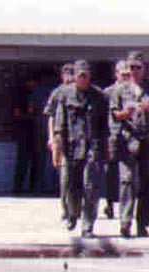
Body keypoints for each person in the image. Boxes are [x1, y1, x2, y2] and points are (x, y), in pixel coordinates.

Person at [53, 60, 109, 238]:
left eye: (85, 75)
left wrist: (105, 149)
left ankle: (88, 225)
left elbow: (105, 126)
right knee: (70, 185)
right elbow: (59, 124)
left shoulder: (99, 96)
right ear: (75, 77)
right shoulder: (65, 95)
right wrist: (58, 145)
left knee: (91, 186)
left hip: (93, 147)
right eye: (80, 75)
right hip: (72, 147)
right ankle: (73, 213)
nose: (83, 78)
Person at [111, 51, 149, 238]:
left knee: (146, 183)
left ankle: (143, 224)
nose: (133, 71)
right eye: (130, 67)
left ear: (143, 68)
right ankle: (125, 223)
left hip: (147, 140)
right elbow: (114, 114)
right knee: (127, 181)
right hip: (128, 141)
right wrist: (125, 113)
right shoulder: (120, 89)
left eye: (137, 67)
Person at [43, 63, 74, 220]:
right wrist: (51, 138)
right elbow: (51, 116)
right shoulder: (57, 93)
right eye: (66, 74)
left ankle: (76, 207)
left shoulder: (80, 93)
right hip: (60, 137)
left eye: (71, 73)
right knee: (64, 176)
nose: (69, 77)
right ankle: (66, 208)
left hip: (78, 138)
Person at [102, 60, 131, 219]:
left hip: (129, 137)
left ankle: (126, 207)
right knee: (111, 172)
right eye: (123, 74)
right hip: (112, 136)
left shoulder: (133, 91)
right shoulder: (107, 93)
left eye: (128, 74)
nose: (126, 77)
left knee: (128, 174)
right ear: (116, 74)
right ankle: (109, 203)